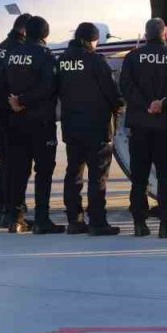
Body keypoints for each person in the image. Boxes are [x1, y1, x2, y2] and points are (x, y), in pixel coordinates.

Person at [56, 22, 124, 236]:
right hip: (96, 127)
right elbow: (111, 92)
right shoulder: (96, 61)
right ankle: (97, 221)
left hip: (72, 126)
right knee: (97, 176)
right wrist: (119, 105)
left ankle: (74, 220)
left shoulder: (63, 60)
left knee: (74, 173)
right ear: (91, 40)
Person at [119, 18, 167, 238]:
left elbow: (126, 88)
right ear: (164, 34)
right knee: (165, 177)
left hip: (140, 125)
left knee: (139, 177)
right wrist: (162, 104)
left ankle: (140, 223)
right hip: (166, 126)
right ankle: (166, 224)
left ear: (146, 35)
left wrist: (145, 104)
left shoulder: (133, 57)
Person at [0, 15, 63, 234]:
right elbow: (48, 87)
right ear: (45, 35)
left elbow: (4, 81)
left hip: (16, 120)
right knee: (43, 171)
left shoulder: (12, 54)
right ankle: (42, 218)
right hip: (40, 121)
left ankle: (15, 217)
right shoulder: (45, 56)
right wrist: (24, 100)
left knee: (18, 169)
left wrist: (14, 101)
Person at [0, 13, 30, 228]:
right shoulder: (18, 51)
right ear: (23, 31)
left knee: (6, 162)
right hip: (14, 114)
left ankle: (4, 209)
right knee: (18, 165)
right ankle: (15, 210)